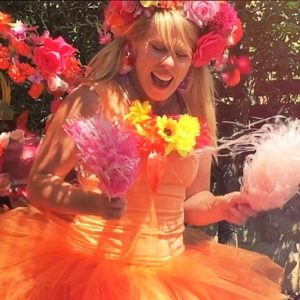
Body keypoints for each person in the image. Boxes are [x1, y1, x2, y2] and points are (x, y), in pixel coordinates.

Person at [0, 1, 283, 299]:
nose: (169, 63)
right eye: (158, 48)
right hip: (92, 275)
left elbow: (191, 202)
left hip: (172, 278)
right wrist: (94, 204)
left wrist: (222, 206)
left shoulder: (195, 115)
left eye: (181, 54)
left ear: (192, 62)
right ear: (133, 45)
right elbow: (40, 184)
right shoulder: (92, 100)